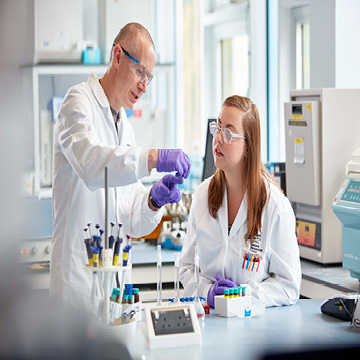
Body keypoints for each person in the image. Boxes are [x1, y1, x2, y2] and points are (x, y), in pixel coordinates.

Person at [50, 22, 190, 310]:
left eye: (149, 78)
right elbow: (92, 163)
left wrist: (152, 200)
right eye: (140, 72)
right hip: (77, 286)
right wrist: (152, 158)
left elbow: (129, 217)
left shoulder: (124, 126)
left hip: (114, 289)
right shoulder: (77, 103)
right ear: (117, 56)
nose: (143, 86)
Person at [179, 95, 301, 308]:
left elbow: (288, 285)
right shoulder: (202, 196)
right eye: (217, 128)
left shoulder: (274, 206)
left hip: (255, 330)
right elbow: (187, 268)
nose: (218, 138)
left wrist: (241, 295)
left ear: (248, 147)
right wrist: (207, 293)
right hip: (210, 325)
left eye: (228, 132)